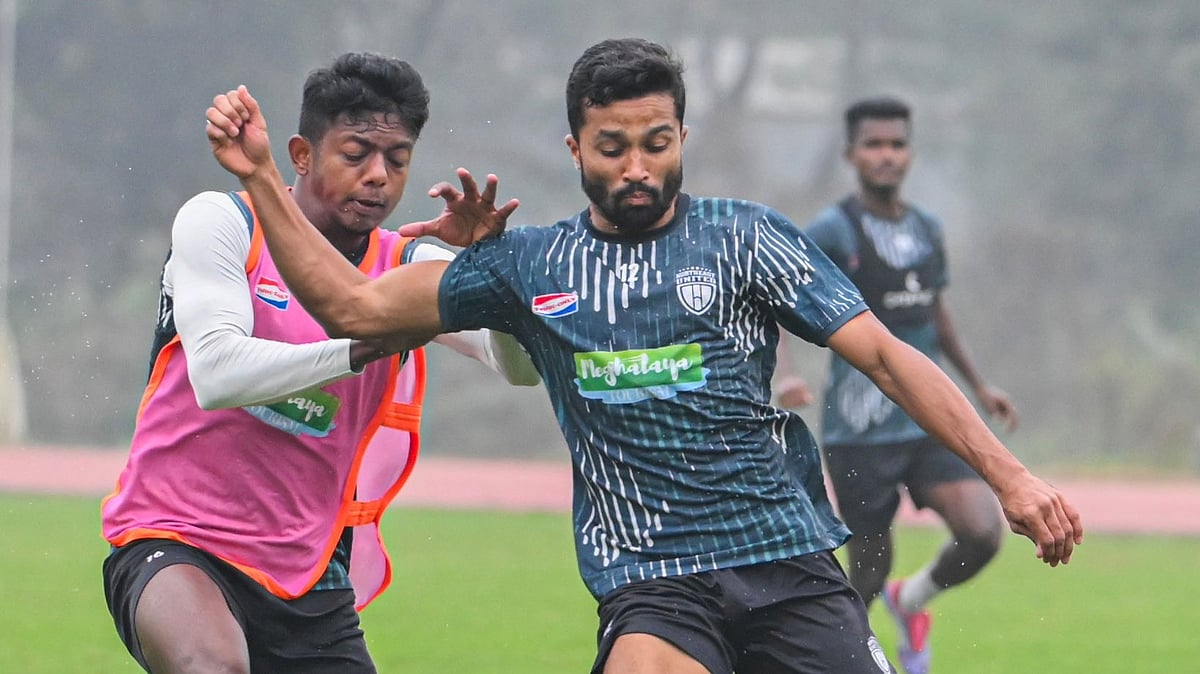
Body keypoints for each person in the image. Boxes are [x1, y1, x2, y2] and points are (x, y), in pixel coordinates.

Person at [205, 38, 1082, 674]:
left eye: (656, 143)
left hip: (788, 564)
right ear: (575, 148)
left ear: (681, 141)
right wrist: (255, 182)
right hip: (653, 583)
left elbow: (888, 358)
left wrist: (1010, 478)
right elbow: (350, 304)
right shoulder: (528, 265)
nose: (636, 167)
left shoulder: (748, 241)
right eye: (613, 146)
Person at [100, 52, 538, 674]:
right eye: (356, 154)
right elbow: (219, 373)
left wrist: (494, 278)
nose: (378, 176)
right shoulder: (223, 221)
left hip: (308, 572)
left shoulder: (405, 267)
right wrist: (362, 342)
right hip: (175, 539)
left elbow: (520, 368)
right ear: (302, 155)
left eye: (398, 159)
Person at [779, 95, 1019, 674]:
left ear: (910, 153)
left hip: (930, 418)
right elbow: (779, 298)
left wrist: (978, 385)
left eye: (897, 144)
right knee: (866, 569)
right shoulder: (834, 230)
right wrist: (784, 372)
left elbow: (934, 311)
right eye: (874, 145)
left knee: (983, 532)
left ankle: (911, 603)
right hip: (859, 428)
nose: (887, 156)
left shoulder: (926, 229)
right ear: (851, 155)